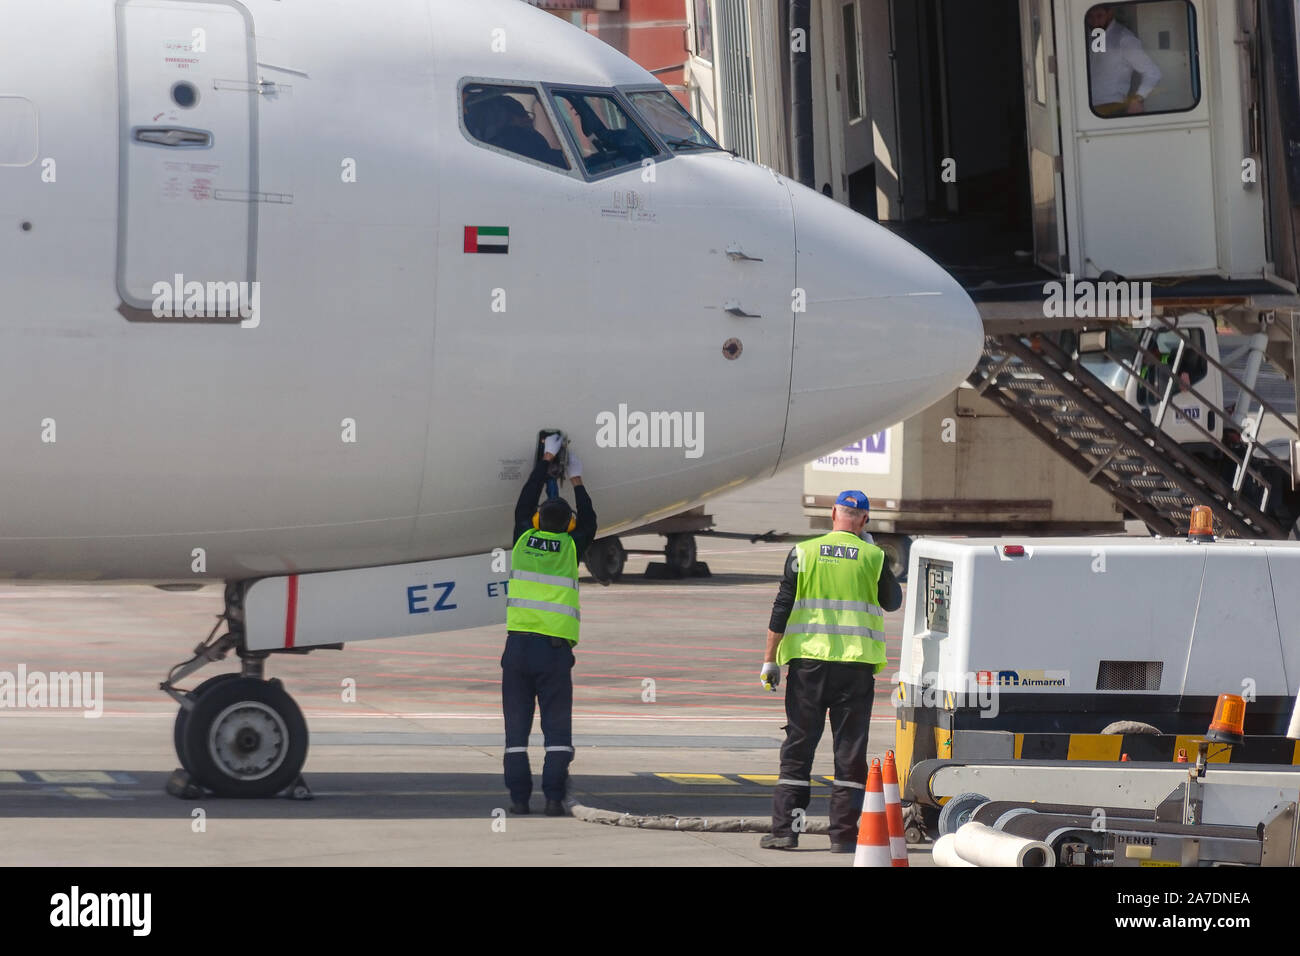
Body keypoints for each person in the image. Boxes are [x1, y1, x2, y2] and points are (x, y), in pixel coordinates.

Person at [758, 490, 903, 852]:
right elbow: (892, 601)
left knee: (799, 743)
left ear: (833, 513)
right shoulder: (873, 556)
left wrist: (770, 660)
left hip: (808, 667)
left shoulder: (803, 553)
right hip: (855, 668)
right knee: (850, 751)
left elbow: (782, 607)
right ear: (865, 521)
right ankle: (843, 836)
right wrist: (872, 553)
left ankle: (786, 832)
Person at [502, 433, 596, 816]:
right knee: (557, 732)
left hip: (518, 651)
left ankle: (518, 800)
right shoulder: (573, 548)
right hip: (554, 654)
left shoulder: (524, 540)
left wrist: (546, 461)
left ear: (538, 521)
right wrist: (577, 480)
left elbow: (524, 501)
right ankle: (554, 797)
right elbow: (590, 520)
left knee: (516, 734)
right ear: (570, 526)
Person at [1086, 4, 1161, 116]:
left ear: (1110, 13)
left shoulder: (1124, 39)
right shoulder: (1091, 35)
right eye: (1090, 17)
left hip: (1111, 108)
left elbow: (1153, 73)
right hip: (1087, 106)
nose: (1095, 22)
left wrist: (1138, 98)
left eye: (1099, 16)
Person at [470, 94, 567, 169]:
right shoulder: (523, 138)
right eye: (522, 114)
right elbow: (547, 160)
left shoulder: (487, 147)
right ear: (507, 118)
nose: (528, 119)